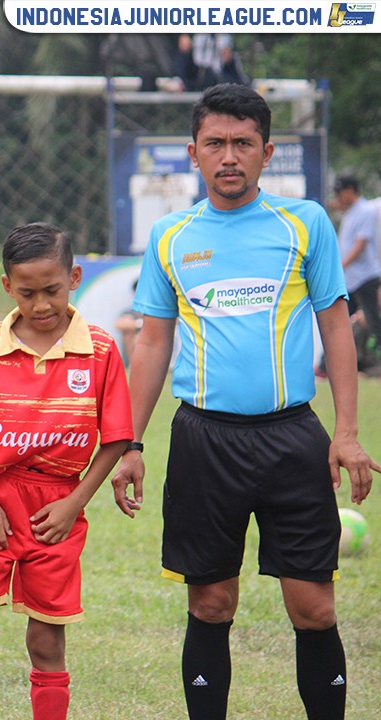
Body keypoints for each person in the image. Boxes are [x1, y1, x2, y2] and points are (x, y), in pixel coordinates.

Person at [111, 83, 379, 720]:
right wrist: (128, 442)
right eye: (215, 143)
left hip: (293, 438)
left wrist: (345, 432)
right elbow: (150, 344)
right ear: (193, 153)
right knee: (210, 604)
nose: (228, 156)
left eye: (243, 143)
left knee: (313, 607)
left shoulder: (305, 222)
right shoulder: (171, 237)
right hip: (204, 441)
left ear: (266, 152)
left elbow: (336, 326)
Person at [0, 223, 132, 720]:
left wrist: (74, 504)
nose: (40, 305)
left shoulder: (101, 350)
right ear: (7, 287)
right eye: (27, 293)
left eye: (52, 291)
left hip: (56, 508)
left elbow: (116, 438)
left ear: (75, 277)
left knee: (45, 639)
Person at [332, 174, 381, 371]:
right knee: (338, 322)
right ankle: (327, 366)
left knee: (374, 322)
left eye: (340, 192)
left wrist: (341, 264)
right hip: (351, 279)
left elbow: (361, 244)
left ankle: (377, 363)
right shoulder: (350, 211)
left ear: (350, 190)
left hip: (365, 277)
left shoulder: (366, 211)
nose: (338, 197)